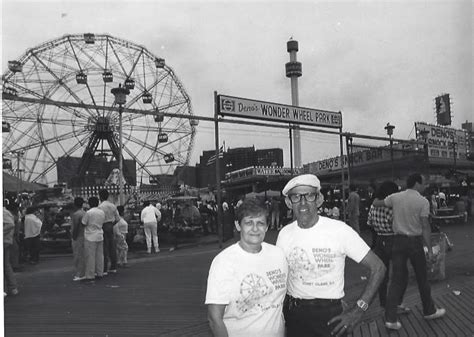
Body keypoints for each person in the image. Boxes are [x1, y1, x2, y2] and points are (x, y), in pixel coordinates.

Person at [276, 174, 385, 337]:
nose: (303, 202)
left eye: (310, 196)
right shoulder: (284, 234)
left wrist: (358, 310)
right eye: (296, 197)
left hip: (330, 317)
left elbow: (378, 268)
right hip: (293, 314)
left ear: (319, 199)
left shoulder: (339, 231)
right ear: (288, 202)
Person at [372, 173, 446, 330]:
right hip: (414, 242)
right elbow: (425, 226)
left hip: (398, 241)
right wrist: (430, 250)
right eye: (424, 182)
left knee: (396, 281)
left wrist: (378, 199)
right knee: (422, 278)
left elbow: (377, 203)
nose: (425, 185)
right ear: (417, 183)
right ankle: (429, 310)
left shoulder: (396, 197)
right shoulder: (422, 201)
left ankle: (390, 319)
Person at [206, 198, 288, 337]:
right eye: (249, 223)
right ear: (238, 226)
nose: (255, 229)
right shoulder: (224, 262)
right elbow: (214, 319)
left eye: (260, 223)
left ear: (267, 227)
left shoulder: (278, 255)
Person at [366, 181, 410, 313]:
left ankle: (384, 303)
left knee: (382, 275)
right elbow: (398, 225)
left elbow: (370, 223)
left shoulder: (373, 206)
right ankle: (398, 302)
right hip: (393, 240)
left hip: (380, 241)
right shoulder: (392, 207)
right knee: (401, 274)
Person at [82, 196, 105, 284]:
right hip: (100, 235)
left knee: (90, 256)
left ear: (90, 203)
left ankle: (90, 275)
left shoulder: (88, 213)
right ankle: (100, 272)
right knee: (100, 255)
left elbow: (83, 223)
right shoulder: (101, 212)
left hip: (90, 236)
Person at [98, 189, 119, 274]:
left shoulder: (100, 207)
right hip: (111, 225)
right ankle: (113, 267)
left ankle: (104, 268)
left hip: (103, 226)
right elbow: (117, 219)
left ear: (100, 196)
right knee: (112, 247)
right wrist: (111, 224)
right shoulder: (113, 205)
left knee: (104, 248)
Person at [4, 200, 19, 296]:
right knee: (6, 265)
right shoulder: (6, 212)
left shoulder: (3, 212)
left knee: (5, 265)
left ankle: (11, 287)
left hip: (4, 241)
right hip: (6, 241)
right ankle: (12, 288)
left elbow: (11, 224)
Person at [71, 197, 86, 281]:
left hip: (78, 236)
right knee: (83, 255)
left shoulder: (76, 214)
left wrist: (74, 237)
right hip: (84, 235)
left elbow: (76, 227)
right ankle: (83, 272)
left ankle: (80, 274)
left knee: (78, 256)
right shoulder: (84, 213)